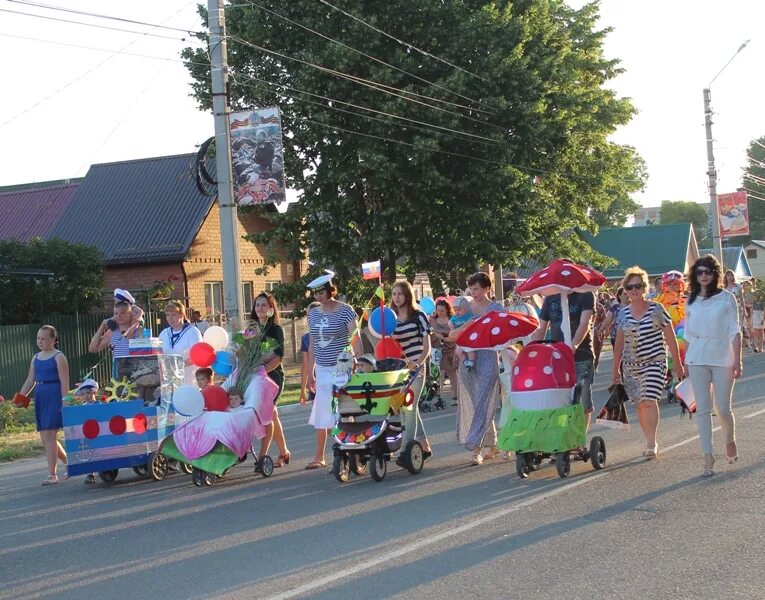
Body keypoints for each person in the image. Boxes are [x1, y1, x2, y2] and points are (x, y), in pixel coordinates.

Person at [611, 267, 683, 458]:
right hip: (631, 366)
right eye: (630, 286)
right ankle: (648, 438)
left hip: (654, 362)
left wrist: (677, 363)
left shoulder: (656, 309)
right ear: (625, 290)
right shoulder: (623, 313)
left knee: (649, 400)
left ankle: (652, 442)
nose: (634, 290)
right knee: (639, 404)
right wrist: (615, 369)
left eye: (638, 286)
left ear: (644, 287)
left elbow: (670, 337)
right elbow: (619, 343)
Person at [684, 255, 742, 477]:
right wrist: (684, 361)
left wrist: (737, 359)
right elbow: (688, 334)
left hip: (722, 357)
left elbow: (734, 330)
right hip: (697, 357)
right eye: (699, 272)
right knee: (703, 410)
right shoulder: (691, 300)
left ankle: (729, 439)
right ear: (695, 275)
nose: (704, 275)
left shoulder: (727, 299)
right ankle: (708, 456)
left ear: (715, 273)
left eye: (707, 271)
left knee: (723, 408)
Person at [303, 273, 361, 470]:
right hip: (323, 368)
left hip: (342, 366)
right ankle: (319, 456)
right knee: (322, 411)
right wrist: (311, 370)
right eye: (316, 293)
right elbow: (312, 343)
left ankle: (351, 447)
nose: (318, 296)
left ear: (330, 290)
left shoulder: (345, 310)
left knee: (343, 410)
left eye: (322, 292)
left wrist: (359, 362)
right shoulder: (313, 313)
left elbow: (355, 337)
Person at [449, 272, 504, 465]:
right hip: (468, 359)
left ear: (487, 289)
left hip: (488, 357)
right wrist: (469, 325)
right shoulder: (467, 308)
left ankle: (476, 449)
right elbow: (453, 335)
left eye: (477, 289)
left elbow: (503, 334)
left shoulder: (497, 308)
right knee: (477, 403)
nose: (474, 293)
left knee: (482, 402)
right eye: (471, 289)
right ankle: (494, 442)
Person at [531, 281, 596, 432]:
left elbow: (584, 323)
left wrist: (573, 345)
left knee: (581, 399)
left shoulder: (585, 294)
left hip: (582, 355)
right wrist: (532, 349)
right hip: (556, 356)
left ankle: (580, 438)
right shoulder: (551, 298)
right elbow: (542, 327)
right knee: (560, 399)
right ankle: (562, 438)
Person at [18, 325, 69, 485]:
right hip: (41, 396)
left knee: (50, 436)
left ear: (53, 340)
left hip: (54, 396)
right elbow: (30, 380)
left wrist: (65, 401)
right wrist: (21, 397)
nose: (40, 341)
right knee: (45, 439)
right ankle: (69, 462)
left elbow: (64, 382)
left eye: (44, 338)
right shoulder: (36, 357)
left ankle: (52, 475)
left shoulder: (59, 357)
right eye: (38, 338)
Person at [390, 281, 434, 462]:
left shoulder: (419, 316)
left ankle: (405, 450)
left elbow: (427, 347)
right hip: (397, 371)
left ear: (407, 295)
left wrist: (417, 363)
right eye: (393, 294)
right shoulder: (390, 318)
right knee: (407, 409)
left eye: (400, 294)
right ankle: (424, 445)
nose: (396, 297)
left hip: (416, 369)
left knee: (409, 407)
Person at [250, 291, 290, 468]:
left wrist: (263, 371)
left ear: (271, 308)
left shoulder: (276, 330)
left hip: (272, 376)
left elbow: (278, 357)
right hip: (253, 377)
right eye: (257, 304)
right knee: (272, 414)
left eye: (264, 305)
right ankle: (284, 452)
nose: (260, 308)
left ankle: (262, 456)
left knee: (268, 413)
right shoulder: (250, 329)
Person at [157, 301, 204, 385]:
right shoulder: (164, 333)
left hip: (188, 380)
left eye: (173, 315)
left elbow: (198, 356)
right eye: (167, 315)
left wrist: (178, 365)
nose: (170, 318)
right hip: (169, 382)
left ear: (182, 315)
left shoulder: (192, 332)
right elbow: (159, 355)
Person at [430, 299, 459, 406]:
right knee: (439, 374)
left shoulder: (452, 320)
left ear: (447, 310)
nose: (440, 313)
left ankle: (455, 396)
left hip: (451, 349)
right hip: (438, 350)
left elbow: (456, 334)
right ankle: (440, 396)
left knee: (452, 374)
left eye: (442, 310)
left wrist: (444, 336)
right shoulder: (433, 320)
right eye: (438, 310)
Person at [74, 378, 100, 484]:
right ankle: (90, 474)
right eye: (83, 394)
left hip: (99, 432)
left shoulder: (99, 405)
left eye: (88, 393)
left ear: (93, 392)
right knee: (89, 453)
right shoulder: (82, 408)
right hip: (88, 433)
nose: (86, 395)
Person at [450, 296, 475, 371]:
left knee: (470, 350)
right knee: (458, 351)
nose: (457, 312)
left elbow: (473, 321)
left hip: (468, 338)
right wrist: (452, 327)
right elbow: (450, 322)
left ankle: (471, 362)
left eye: (459, 310)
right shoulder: (455, 317)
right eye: (455, 310)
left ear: (466, 308)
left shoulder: (469, 316)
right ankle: (465, 361)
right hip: (460, 339)